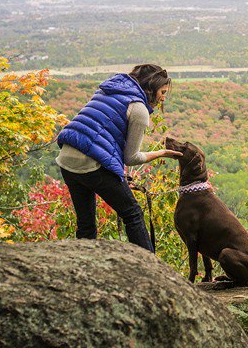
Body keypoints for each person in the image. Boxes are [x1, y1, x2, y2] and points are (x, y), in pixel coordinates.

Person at [55, 64, 182, 252]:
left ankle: (82, 268)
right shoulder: (139, 109)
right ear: (151, 87)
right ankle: (150, 269)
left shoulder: (107, 90)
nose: (163, 97)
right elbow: (131, 157)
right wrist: (160, 153)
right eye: (162, 92)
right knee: (132, 214)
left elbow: (104, 138)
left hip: (66, 159)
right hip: (91, 163)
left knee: (86, 224)